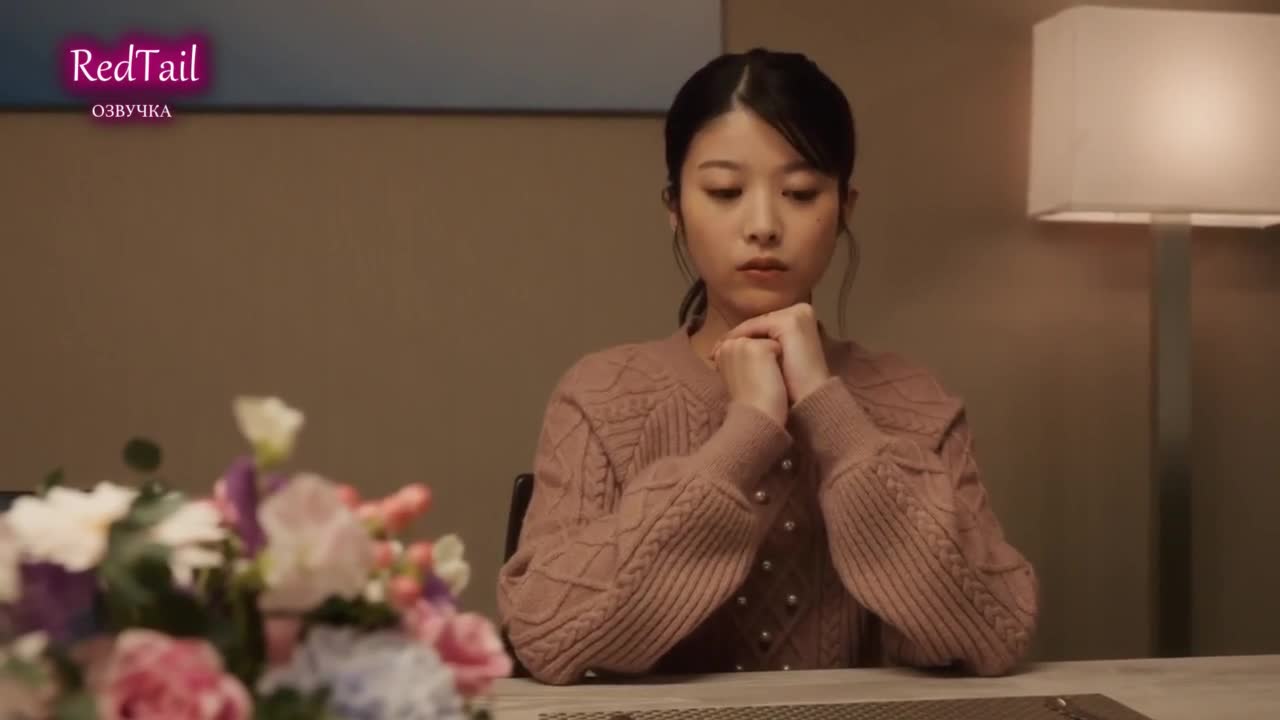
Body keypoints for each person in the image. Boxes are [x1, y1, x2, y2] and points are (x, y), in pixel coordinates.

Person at [497, 47, 1038, 686]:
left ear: (845, 208)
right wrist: (746, 431)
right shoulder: (601, 397)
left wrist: (827, 407)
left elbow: (992, 631)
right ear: (674, 207)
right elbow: (543, 636)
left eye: (800, 193)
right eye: (725, 192)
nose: (763, 226)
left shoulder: (915, 401)